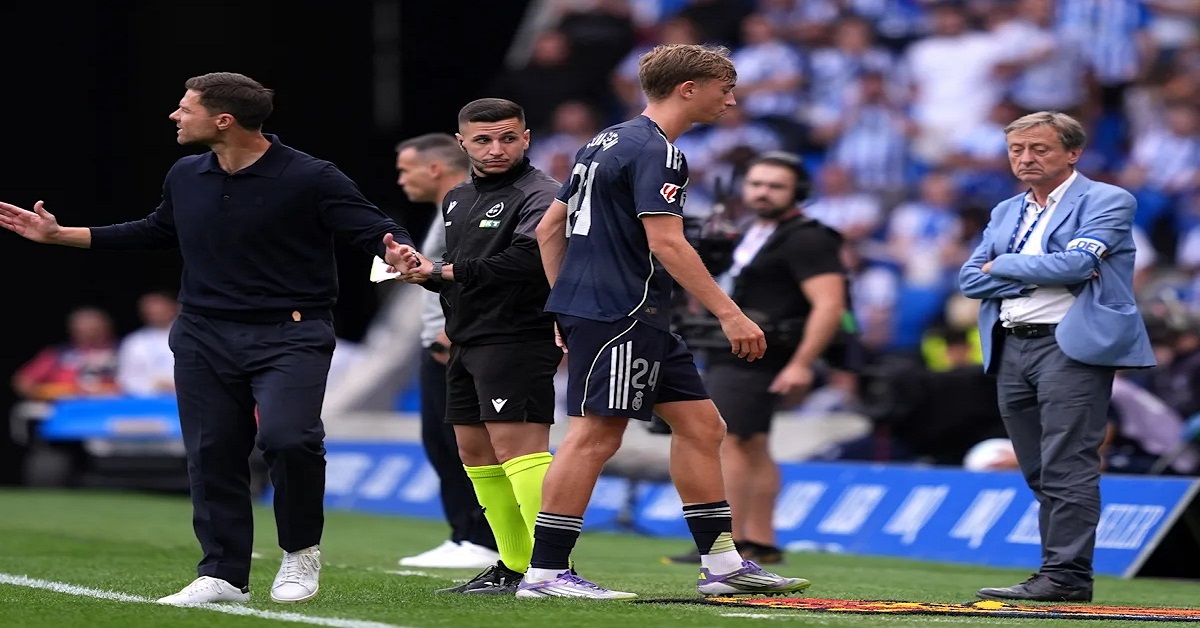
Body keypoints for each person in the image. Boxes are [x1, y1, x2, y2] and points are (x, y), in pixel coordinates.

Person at [0, 72, 418, 605]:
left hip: (290, 333)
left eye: (185, 108)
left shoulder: (311, 176)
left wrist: (398, 251)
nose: (174, 116)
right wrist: (62, 235)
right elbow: (156, 230)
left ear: (224, 120)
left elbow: (373, 228)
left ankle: (299, 551)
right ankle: (223, 573)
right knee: (212, 451)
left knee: (288, 439)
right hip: (202, 334)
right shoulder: (185, 174)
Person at [520, 43, 812, 600]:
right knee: (594, 435)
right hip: (624, 311)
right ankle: (546, 572)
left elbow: (548, 229)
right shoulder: (660, 151)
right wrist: (731, 314)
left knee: (703, 427)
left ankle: (723, 565)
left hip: (622, 311)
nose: (732, 101)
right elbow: (668, 243)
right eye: (724, 89)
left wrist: (564, 302)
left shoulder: (603, 141)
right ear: (688, 89)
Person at [959, 111, 1155, 603]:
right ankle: (1058, 572)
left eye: (1039, 148)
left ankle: (1066, 576)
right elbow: (969, 279)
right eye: (1017, 150)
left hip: (1071, 345)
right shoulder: (1006, 210)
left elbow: (1076, 264)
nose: (1026, 158)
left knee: (1068, 462)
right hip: (1011, 343)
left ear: (1072, 152)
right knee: (1037, 468)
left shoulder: (1107, 199)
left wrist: (1004, 265)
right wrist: (1034, 273)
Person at [393, 98, 562, 595]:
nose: (496, 149)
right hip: (467, 339)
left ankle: (552, 567)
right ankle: (513, 565)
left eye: (508, 138)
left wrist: (442, 271)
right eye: (483, 140)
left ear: (526, 138)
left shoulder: (544, 193)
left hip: (519, 336)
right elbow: (462, 272)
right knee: (475, 453)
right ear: (462, 142)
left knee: (518, 450)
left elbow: (528, 260)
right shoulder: (458, 197)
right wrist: (422, 273)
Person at [665, 151, 852, 566]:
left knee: (730, 439)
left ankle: (726, 543)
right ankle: (760, 541)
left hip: (762, 353)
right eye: (756, 184)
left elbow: (829, 305)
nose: (763, 192)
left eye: (775, 186)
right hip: (736, 349)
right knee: (752, 444)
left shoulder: (808, 237)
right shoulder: (753, 230)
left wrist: (801, 363)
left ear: (799, 191)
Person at [391, 133, 499, 569]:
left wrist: (451, 334)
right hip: (437, 339)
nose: (401, 180)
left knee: (467, 444)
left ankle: (484, 538)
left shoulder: (467, 207)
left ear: (434, 168)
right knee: (440, 441)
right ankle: (463, 534)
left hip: (453, 342)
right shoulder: (448, 208)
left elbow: (477, 275)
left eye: (406, 170)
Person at [13, 306, 121, 401]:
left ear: (107, 326)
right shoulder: (58, 353)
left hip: (114, 406)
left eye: (94, 327)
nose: (89, 331)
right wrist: (46, 395)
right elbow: (24, 381)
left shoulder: (124, 351)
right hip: (65, 407)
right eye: (83, 327)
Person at [116, 289, 180, 397]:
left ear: (173, 308)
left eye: (160, 308)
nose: (156, 312)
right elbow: (126, 378)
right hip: (148, 400)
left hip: (186, 395)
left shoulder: (190, 336)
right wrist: (155, 385)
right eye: (150, 309)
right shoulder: (134, 342)